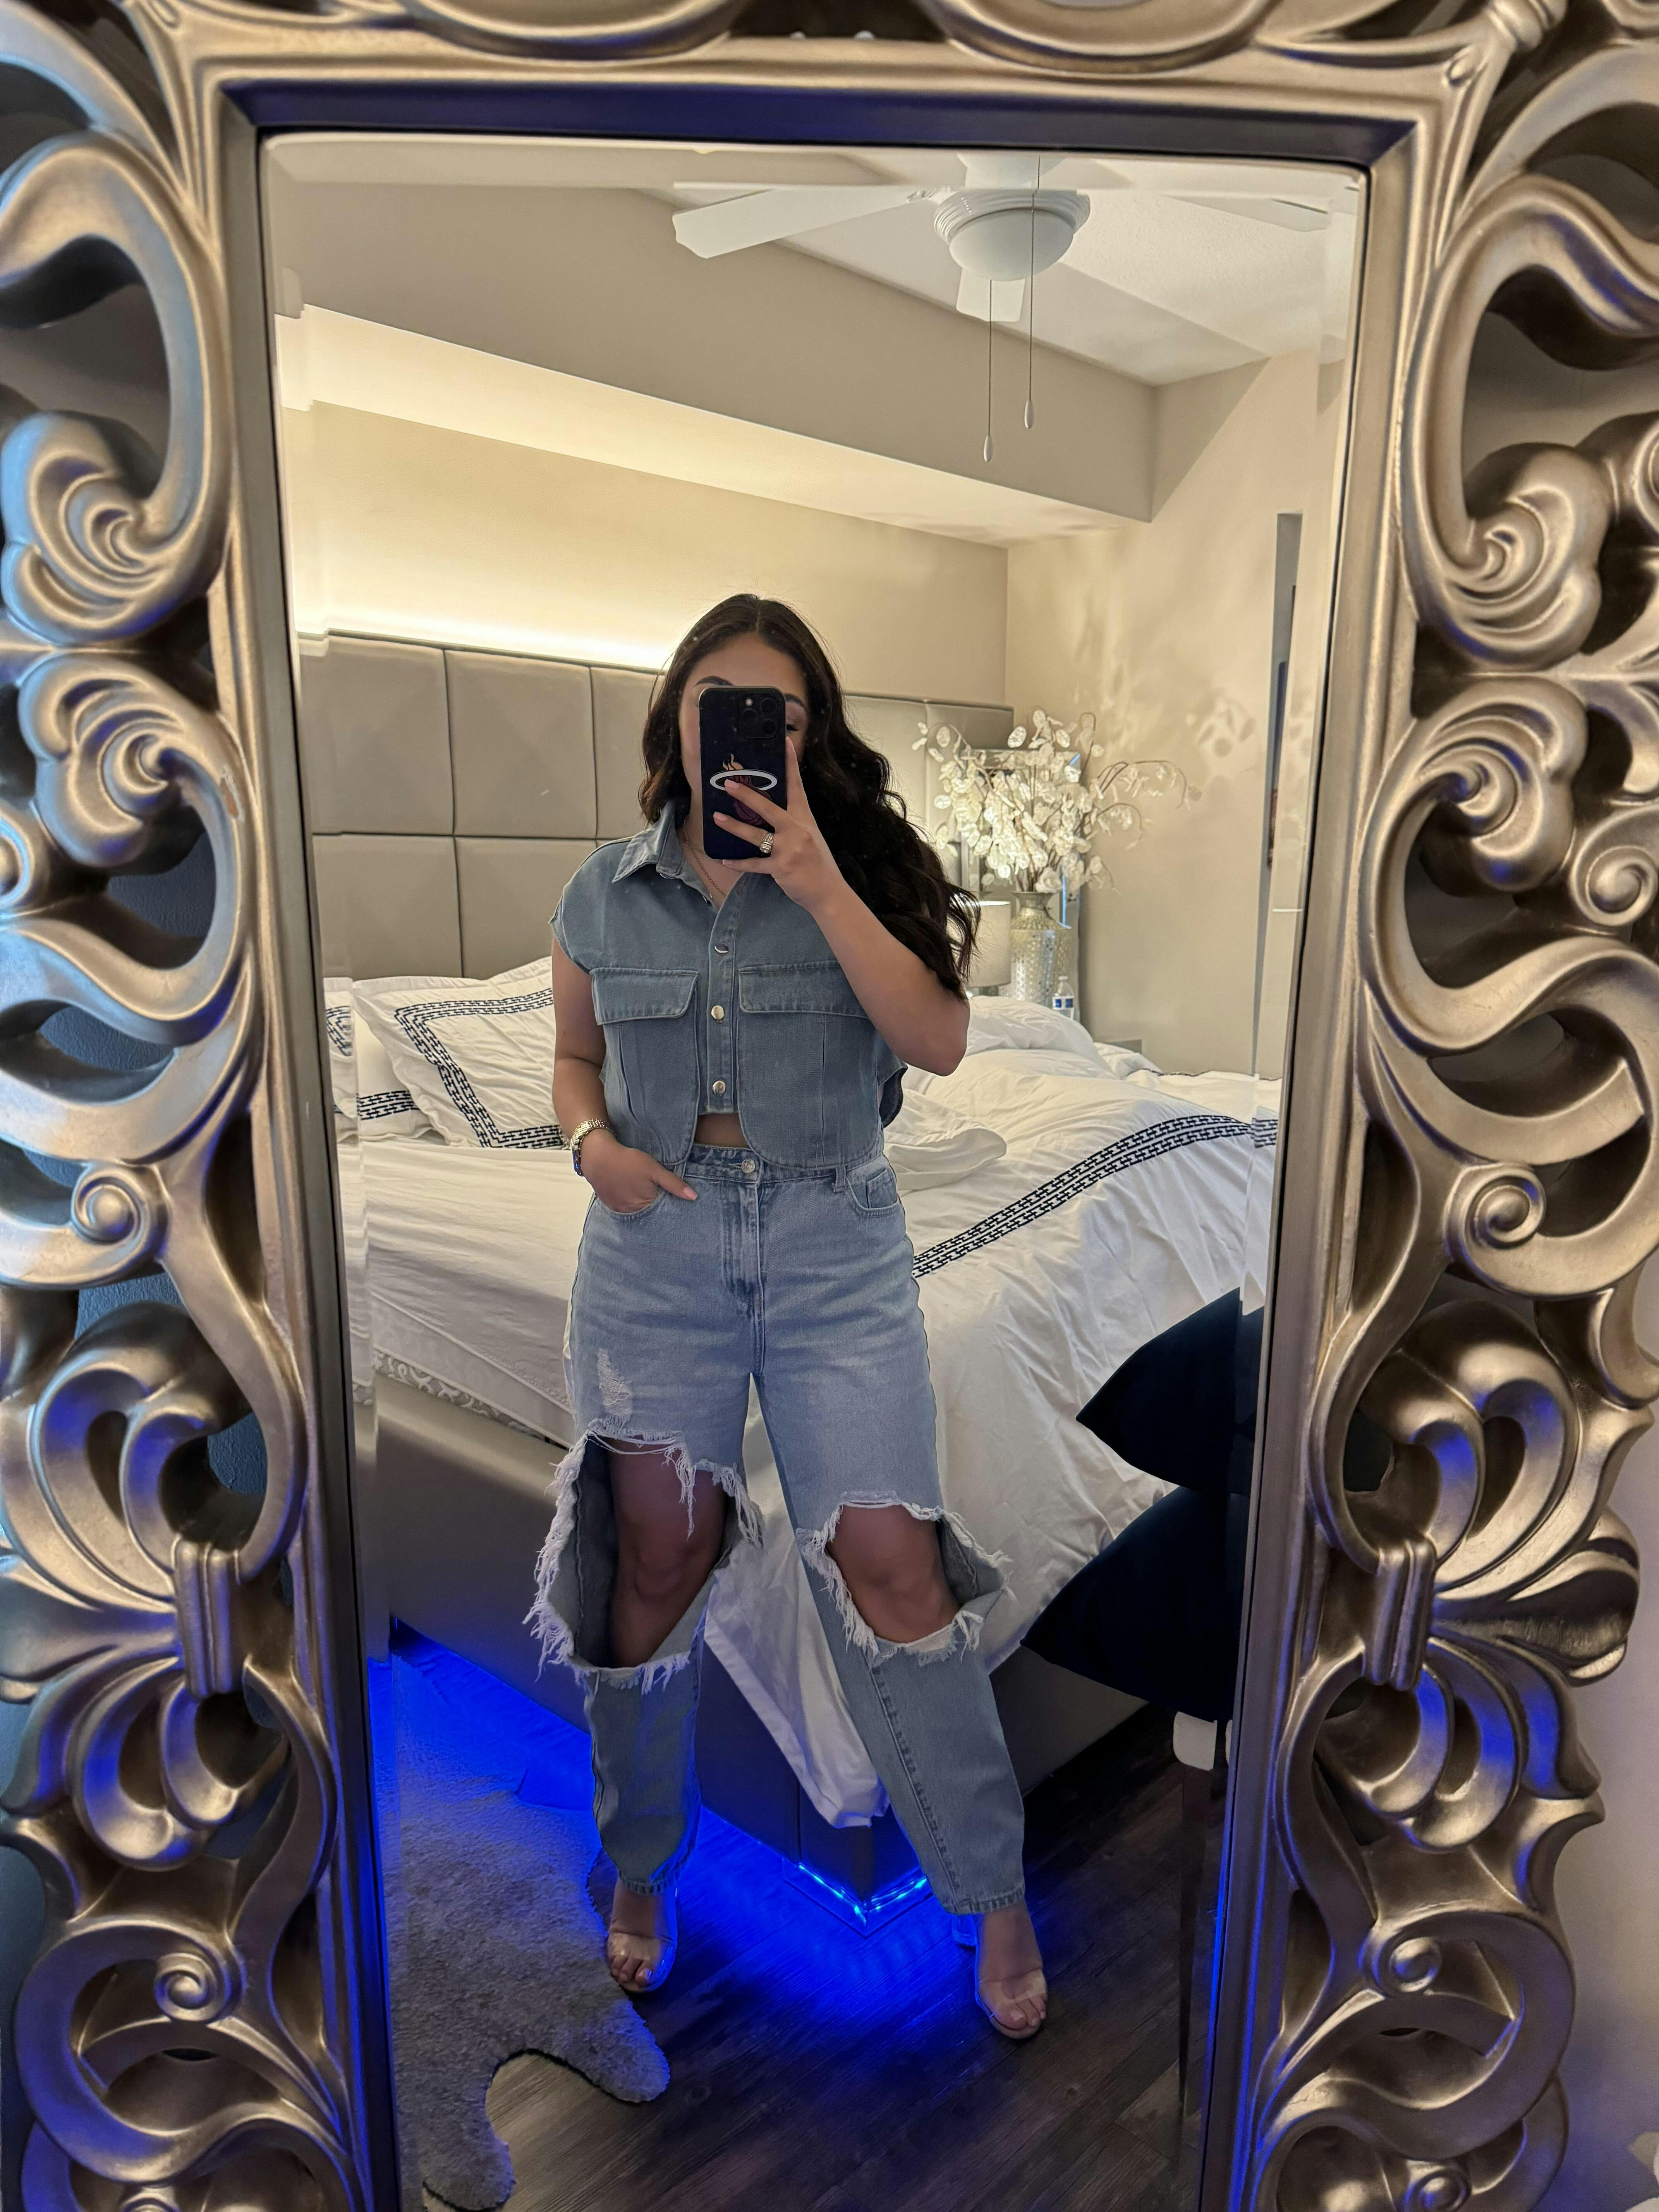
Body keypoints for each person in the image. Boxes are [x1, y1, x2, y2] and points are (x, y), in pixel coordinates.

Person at [536, 594, 1045, 2039]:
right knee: (656, 1556)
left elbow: (938, 1042)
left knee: (894, 1566)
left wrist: (820, 882)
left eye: (779, 711)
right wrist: (590, 1146)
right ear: (677, 717)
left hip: (836, 1249)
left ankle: (990, 1888)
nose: (742, 734)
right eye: (717, 704)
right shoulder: (600, 894)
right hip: (653, 1252)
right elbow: (571, 1061)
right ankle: (644, 1865)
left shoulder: (861, 870)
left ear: (808, 735)